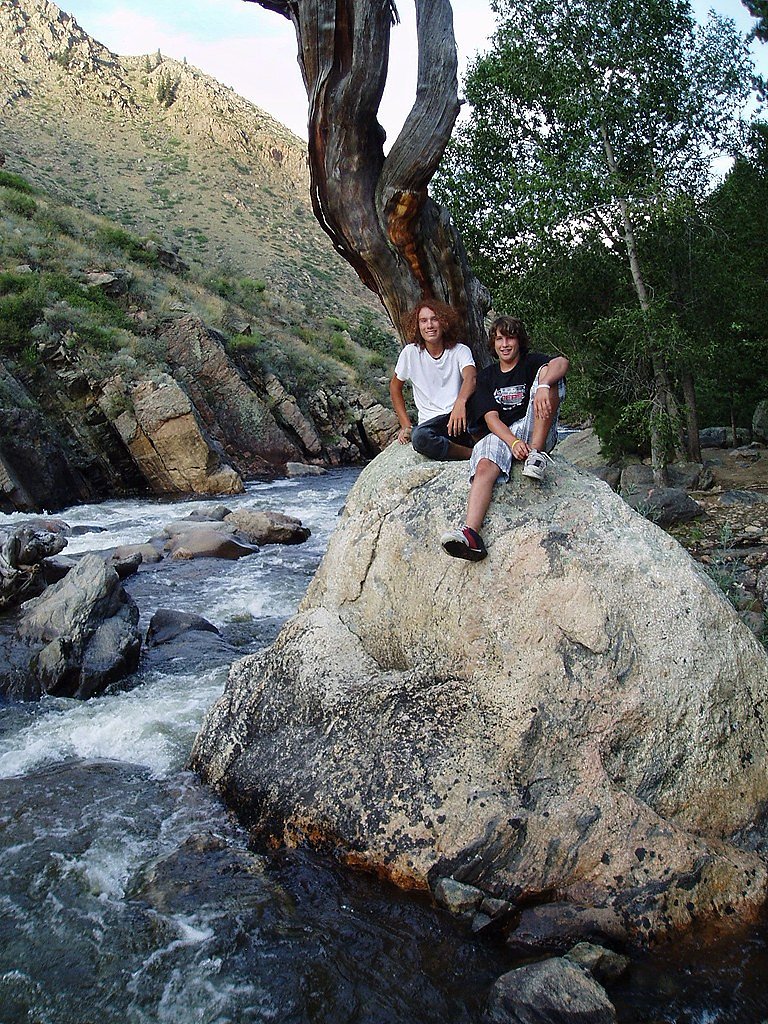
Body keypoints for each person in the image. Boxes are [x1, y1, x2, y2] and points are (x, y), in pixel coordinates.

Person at [441, 315, 569, 561]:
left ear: (519, 341)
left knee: (548, 373)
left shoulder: (532, 363)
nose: (505, 344)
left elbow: (562, 362)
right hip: (505, 434)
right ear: (493, 344)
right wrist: (512, 442)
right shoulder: (487, 377)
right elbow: (491, 419)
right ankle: (471, 535)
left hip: (536, 428)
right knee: (484, 462)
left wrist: (543, 385)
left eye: (510, 337)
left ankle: (537, 456)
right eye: (499, 339)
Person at [390, 300, 477, 461]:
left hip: (460, 419)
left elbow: (471, 377)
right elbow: (395, 388)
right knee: (420, 438)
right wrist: (405, 424)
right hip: (432, 425)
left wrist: (460, 403)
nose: (429, 325)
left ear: (444, 322)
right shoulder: (411, 353)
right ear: (417, 326)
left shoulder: (460, 350)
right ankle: (472, 455)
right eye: (423, 321)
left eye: (434, 319)